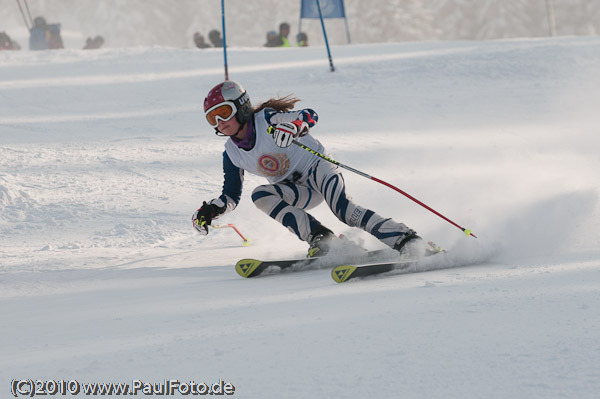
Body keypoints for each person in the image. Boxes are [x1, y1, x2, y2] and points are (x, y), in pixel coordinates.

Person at [192, 81, 437, 258]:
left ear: (242, 106)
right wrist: (211, 210)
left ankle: (407, 239)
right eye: (212, 118)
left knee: (344, 211)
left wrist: (295, 127)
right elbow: (231, 196)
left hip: (318, 168)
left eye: (223, 112)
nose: (219, 122)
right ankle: (321, 238)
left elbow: (310, 114)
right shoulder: (232, 153)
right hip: (296, 189)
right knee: (260, 195)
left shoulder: (266, 119)